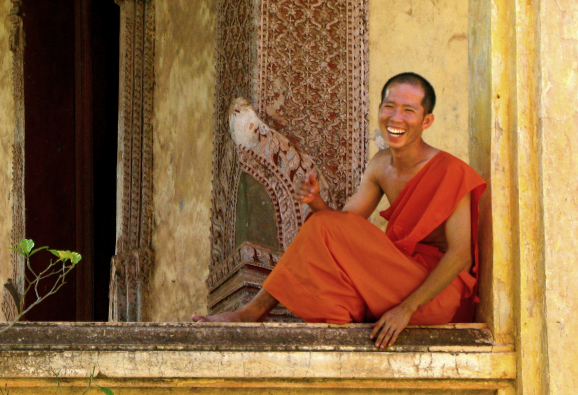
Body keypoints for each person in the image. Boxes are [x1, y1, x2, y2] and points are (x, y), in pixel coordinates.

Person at [192, 73, 486, 349]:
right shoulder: (380, 164)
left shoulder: (451, 170)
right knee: (326, 289)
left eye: (409, 110)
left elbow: (460, 255)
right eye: (389, 107)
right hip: (394, 278)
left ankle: (250, 312)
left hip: (434, 295)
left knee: (323, 230)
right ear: (380, 110)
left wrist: (405, 309)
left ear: (427, 120)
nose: (396, 118)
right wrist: (315, 201)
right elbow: (343, 224)